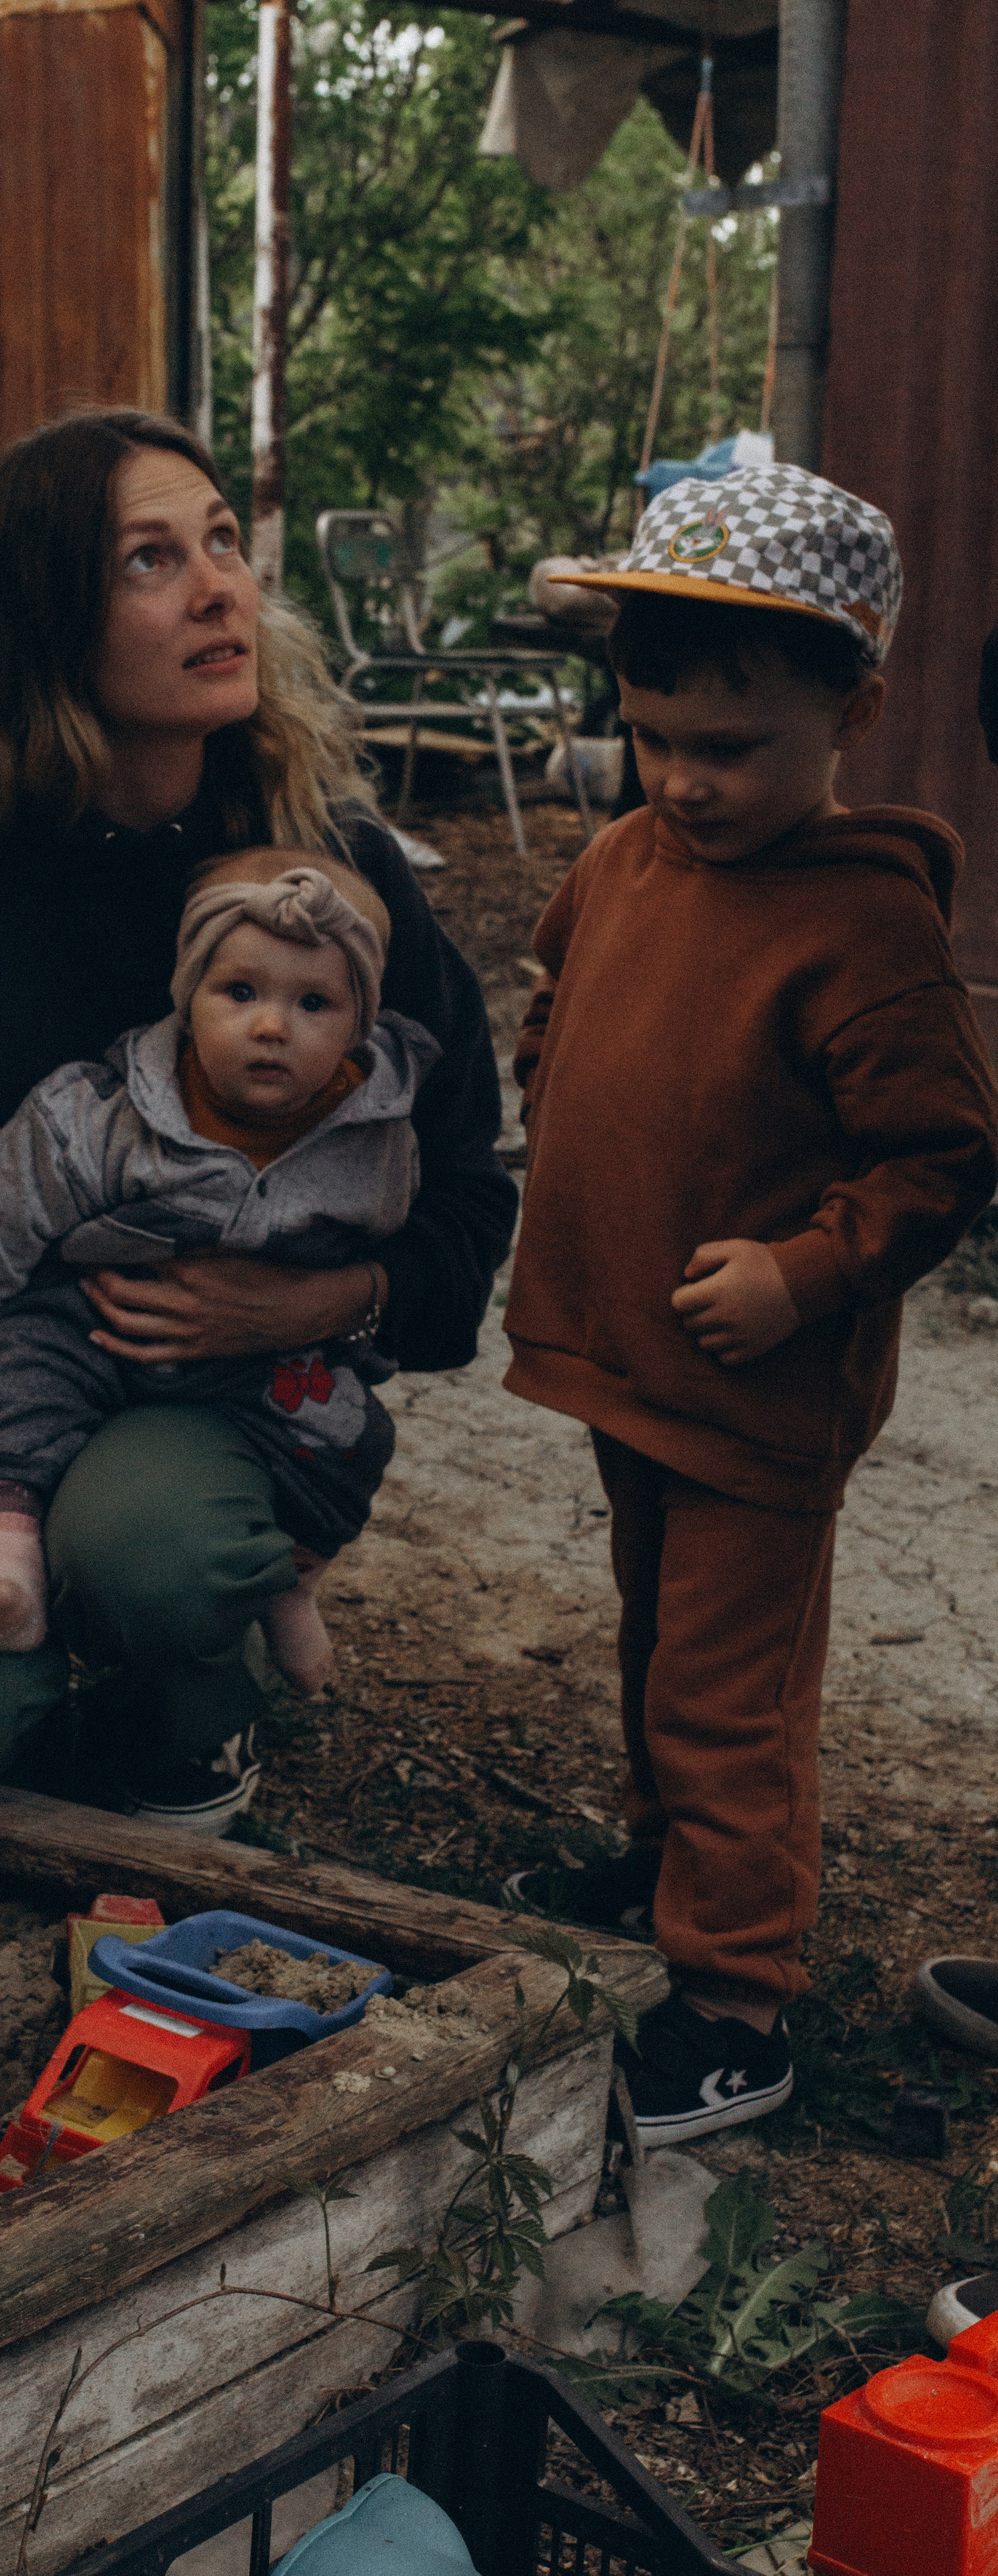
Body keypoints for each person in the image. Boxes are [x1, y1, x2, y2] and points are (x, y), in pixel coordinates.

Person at [0, 406, 516, 1836]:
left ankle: (180, 1721)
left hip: (209, 1390)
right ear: (43, 625)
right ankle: (9, 1671)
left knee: (142, 1559)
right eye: (150, 560)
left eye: (220, 542)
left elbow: (461, 1175)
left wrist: (333, 1291)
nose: (217, 587)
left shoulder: (330, 878)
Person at [501, 462, 998, 2141]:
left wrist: (806, 1272)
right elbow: (564, 991)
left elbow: (938, 1155)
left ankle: (732, 1996)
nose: (683, 783)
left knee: (729, 1689)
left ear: (847, 707)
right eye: (651, 739)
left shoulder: (862, 921)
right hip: (632, 1356)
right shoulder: (628, 857)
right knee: (656, 1647)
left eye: (728, 751)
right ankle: (663, 1866)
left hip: (757, 1389)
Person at [0, 854, 436, 1697]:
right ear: (188, 999)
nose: (272, 1025)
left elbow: (386, 1236)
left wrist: (336, 1316)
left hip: (257, 1346)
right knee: (12, 1383)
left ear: (359, 1026)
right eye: (240, 992)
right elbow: (2, 1207)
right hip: (86, 1318)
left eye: (314, 1003)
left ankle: (292, 1585)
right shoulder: (102, 1115)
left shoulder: (376, 1137)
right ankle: (5, 1562)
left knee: (348, 1432)